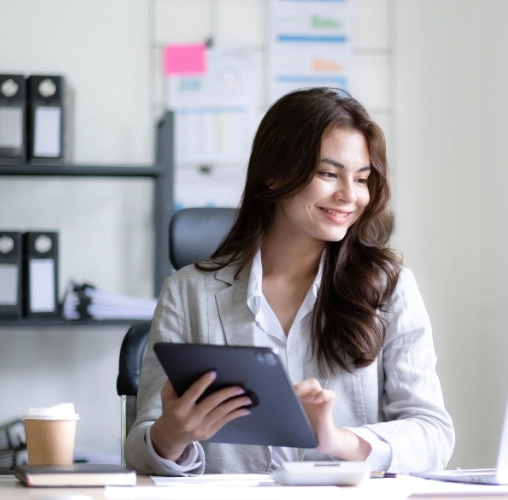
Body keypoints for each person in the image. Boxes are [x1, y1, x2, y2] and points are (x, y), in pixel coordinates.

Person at [124, 87, 455, 476]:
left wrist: (338, 440)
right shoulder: (187, 293)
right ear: (273, 174)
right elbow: (138, 447)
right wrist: (170, 436)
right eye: (329, 174)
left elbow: (433, 434)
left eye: (362, 179)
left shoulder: (390, 288)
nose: (350, 195)